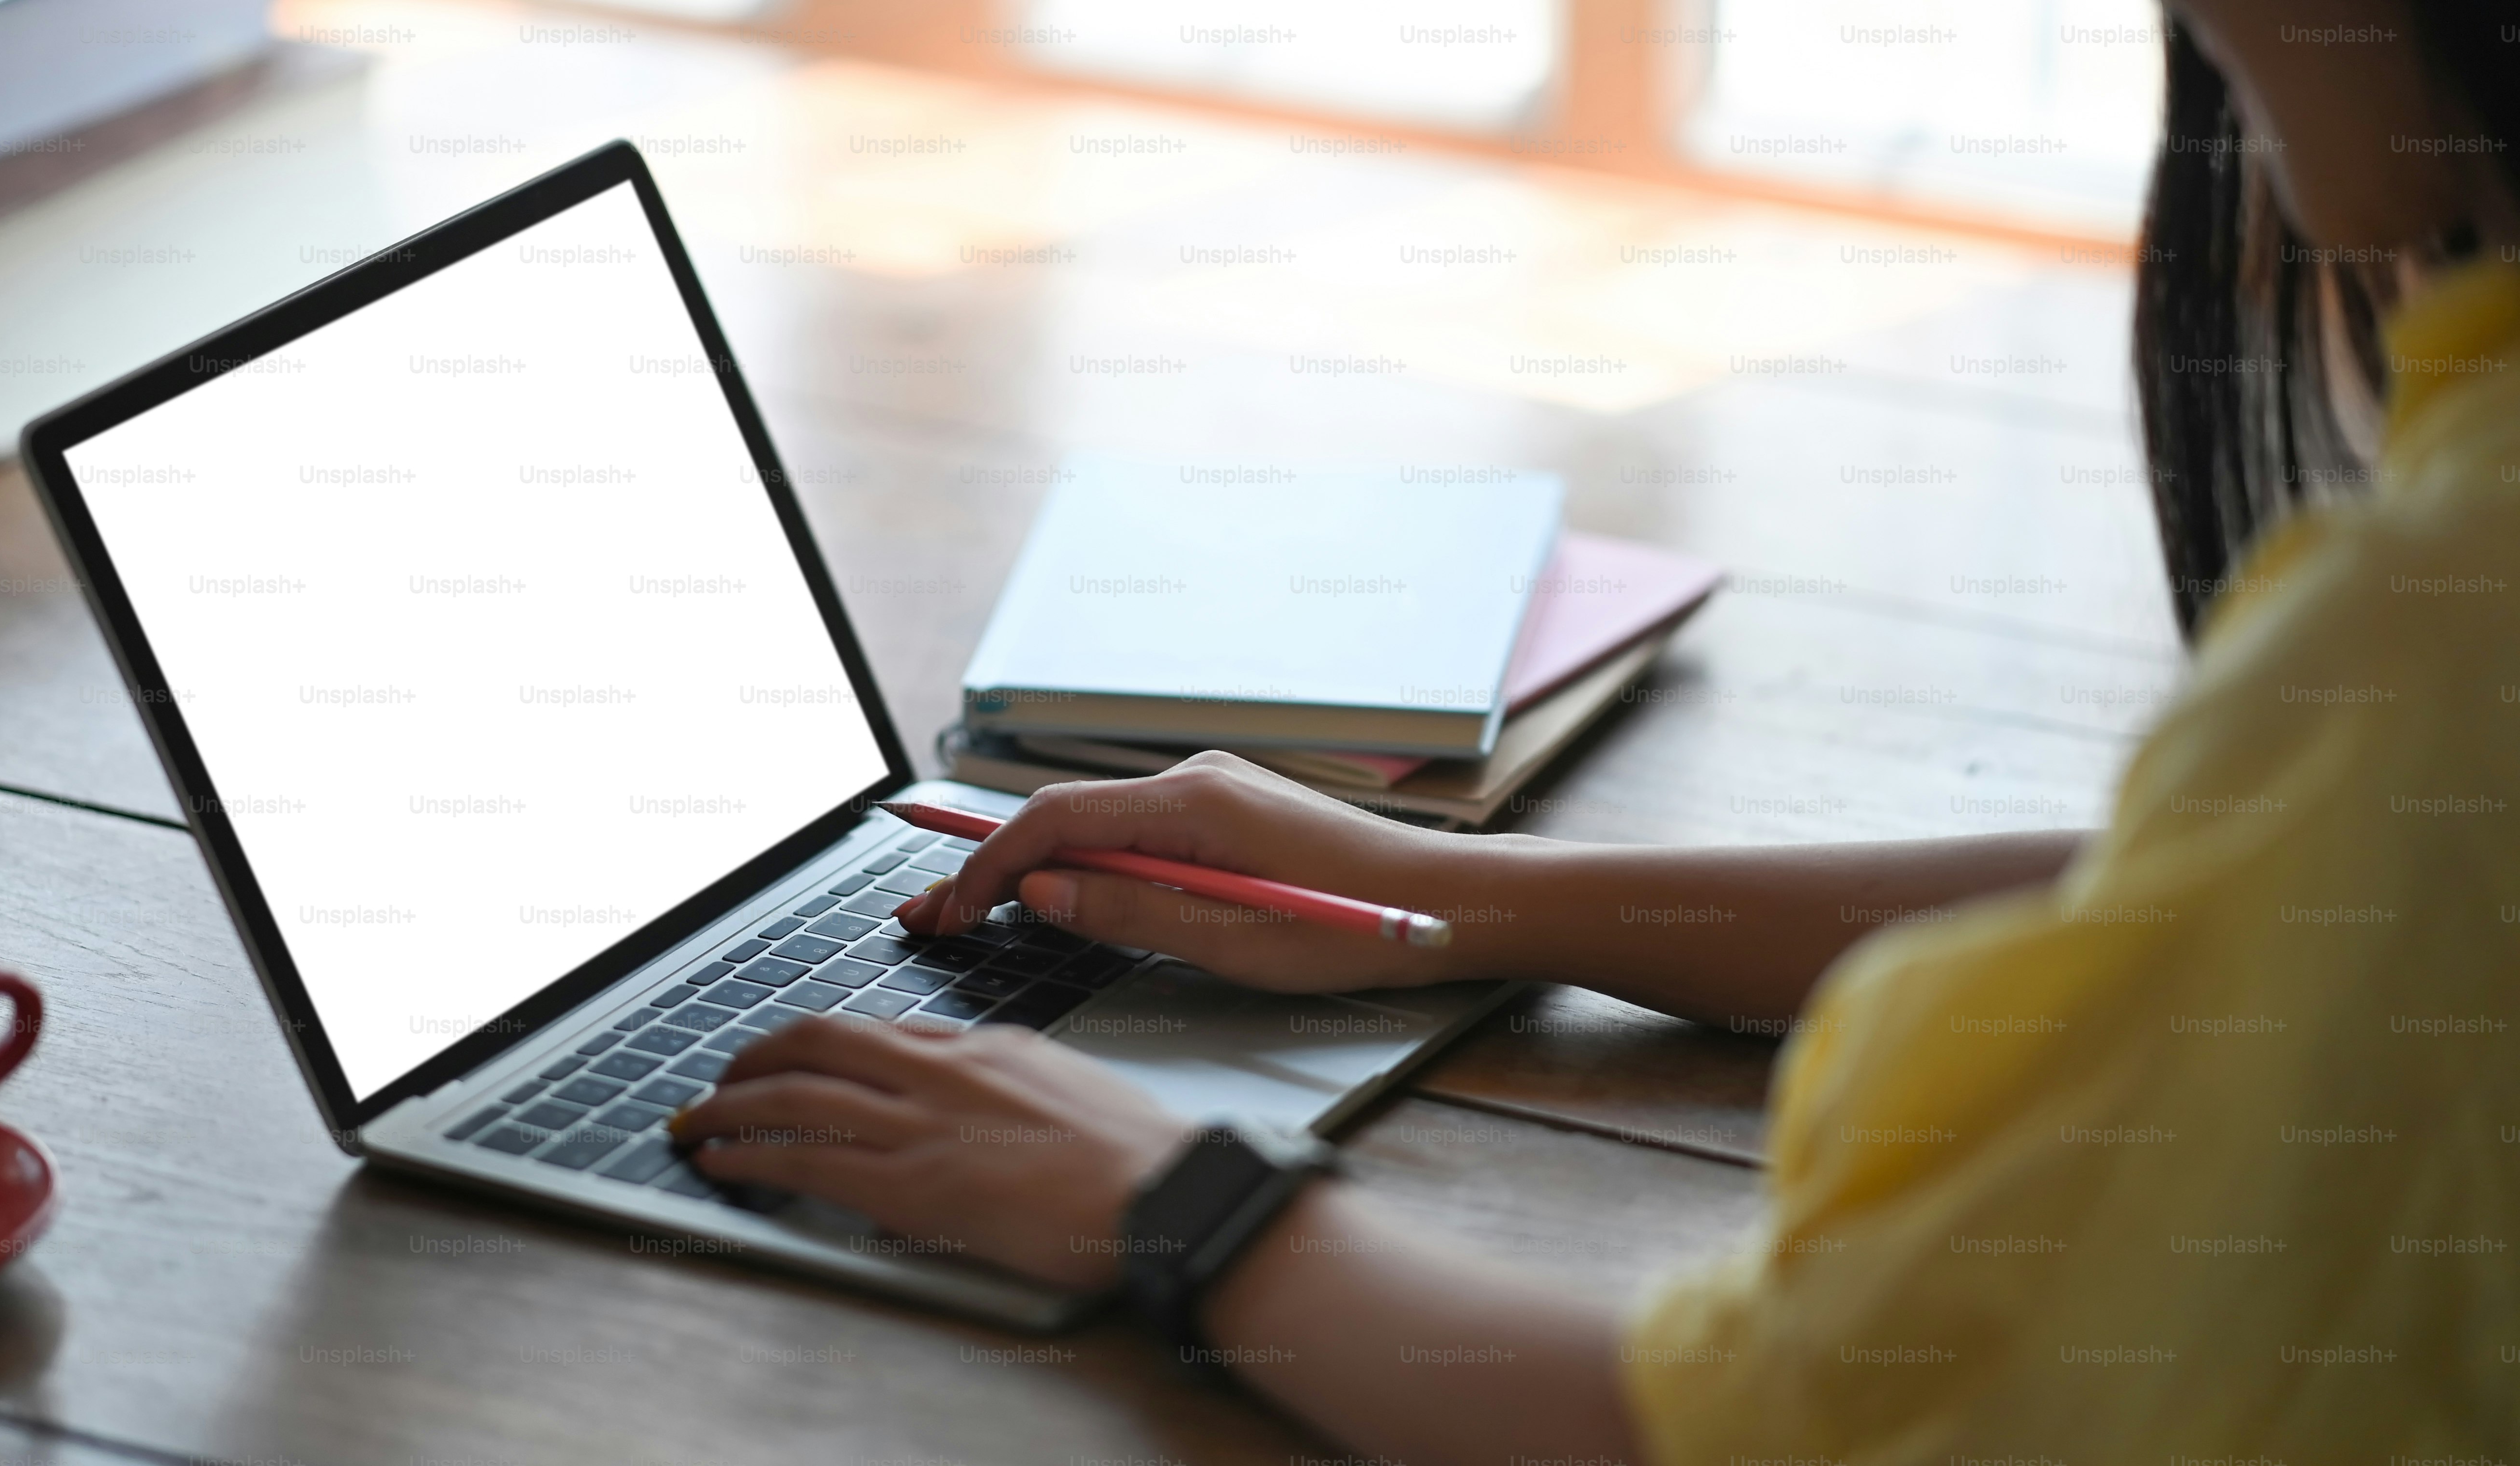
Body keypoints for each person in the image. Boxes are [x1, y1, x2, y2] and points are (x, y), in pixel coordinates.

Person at [673, 1, 2520, 1459]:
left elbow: (1772, 1432)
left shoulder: (2440, 624)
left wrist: (1177, 1200)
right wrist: (1456, 899)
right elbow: (2233, 900)